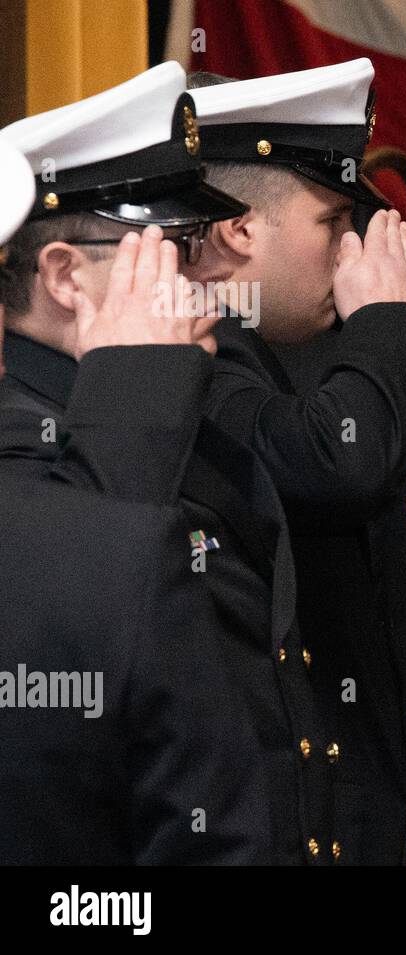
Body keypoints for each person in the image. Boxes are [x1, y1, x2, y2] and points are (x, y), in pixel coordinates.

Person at [0, 62, 336, 864]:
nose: (213, 279)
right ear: (64, 274)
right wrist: (134, 391)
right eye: (179, 249)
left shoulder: (177, 396)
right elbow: (64, 649)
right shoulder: (22, 432)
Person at [187, 59, 406, 865]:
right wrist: (385, 319)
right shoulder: (182, 358)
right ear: (240, 227)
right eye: (333, 222)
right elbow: (334, 466)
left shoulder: (297, 353)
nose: (355, 249)